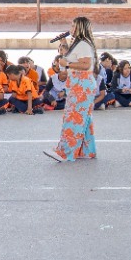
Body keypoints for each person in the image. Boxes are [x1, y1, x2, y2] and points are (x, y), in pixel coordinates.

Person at [47, 16, 99, 162]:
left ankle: (65, 152)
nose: (70, 28)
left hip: (81, 84)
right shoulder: (80, 44)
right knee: (84, 119)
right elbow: (74, 59)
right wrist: (64, 45)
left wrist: (68, 65)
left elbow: (86, 64)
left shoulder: (83, 44)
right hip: (80, 84)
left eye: (73, 25)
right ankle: (86, 151)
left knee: (73, 118)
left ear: (79, 28)